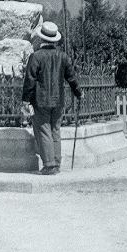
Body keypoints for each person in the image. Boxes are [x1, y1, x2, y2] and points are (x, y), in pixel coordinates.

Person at [22, 21, 83, 174]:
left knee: (44, 130)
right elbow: (72, 78)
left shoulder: (35, 57)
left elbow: (30, 80)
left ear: (42, 39)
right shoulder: (63, 56)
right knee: (55, 130)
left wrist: (25, 100)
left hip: (40, 100)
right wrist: (78, 93)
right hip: (58, 100)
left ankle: (49, 165)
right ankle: (56, 162)